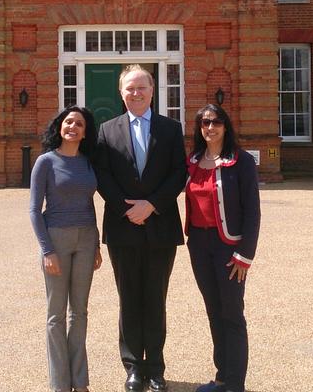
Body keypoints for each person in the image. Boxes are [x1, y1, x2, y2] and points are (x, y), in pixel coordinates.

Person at [95, 65, 187, 392]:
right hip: (123, 227)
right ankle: (134, 367)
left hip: (161, 225)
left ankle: (156, 368)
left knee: (155, 299)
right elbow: (102, 175)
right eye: (130, 88)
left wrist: (152, 205)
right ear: (121, 93)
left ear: (152, 90)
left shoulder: (171, 129)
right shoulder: (106, 130)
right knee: (129, 299)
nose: (136, 93)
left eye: (141, 88)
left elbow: (179, 172)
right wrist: (127, 209)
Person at [184, 104, 261, 392]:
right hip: (199, 245)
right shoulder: (193, 160)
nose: (210, 127)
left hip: (228, 247)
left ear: (226, 126)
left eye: (216, 122)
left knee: (232, 314)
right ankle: (222, 377)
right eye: (205, 122)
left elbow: (252, 211)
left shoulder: (241, 161)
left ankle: (235, 384)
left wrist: (245, 254)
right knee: (214, 311)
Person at [29, 106, 103, 392]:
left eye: (79, 124)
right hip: (56, 240)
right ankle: (60, 384)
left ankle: (80, 382)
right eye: (68, 122)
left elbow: (89, 204)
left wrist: (96, 244)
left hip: (85, 240)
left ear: (85, 133)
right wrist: (47, 251)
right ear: (59, 127)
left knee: (80, 313)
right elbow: (34, 210)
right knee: (56, 315)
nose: (73, 127)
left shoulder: (87, 163)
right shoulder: (46, 162)